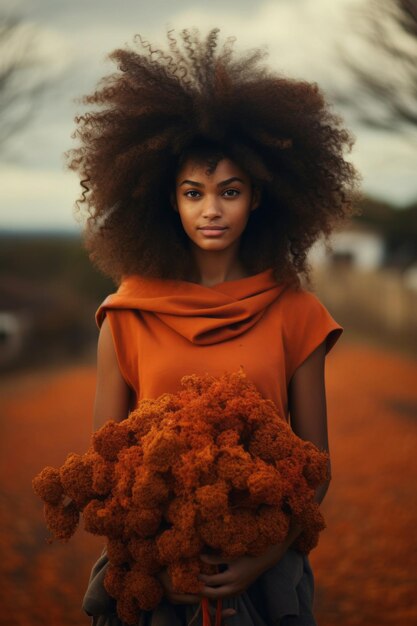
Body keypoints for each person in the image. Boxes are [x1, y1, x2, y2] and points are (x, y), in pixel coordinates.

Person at [65, 27, 360, 626]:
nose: (211, 210)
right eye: (193, 192)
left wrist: (264, 556)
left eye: (230, 191)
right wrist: (161, 561)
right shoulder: (125, 315)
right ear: (167, 201)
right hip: (148, 580)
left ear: (258, 198)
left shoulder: (296, 313)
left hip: (263, 580)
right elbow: (107, 467)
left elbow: (316, 467)